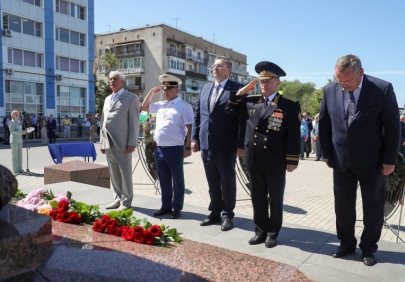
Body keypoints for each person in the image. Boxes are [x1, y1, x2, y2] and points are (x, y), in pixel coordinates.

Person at [319, 54, 400, 266]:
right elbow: (325, 124)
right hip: (341, 161)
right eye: (339, 80)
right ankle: (346, 243)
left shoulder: (382, 89)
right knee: (343, 207)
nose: (343, 85)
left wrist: (389, 160)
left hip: (373, 163)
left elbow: (393, 128)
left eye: (348, 80)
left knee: (373, 207)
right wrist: (327, 153)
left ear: (360, 73)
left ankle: (369, 248)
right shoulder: (329, 90)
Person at [225, 61, 301, 248]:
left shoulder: (288, 105)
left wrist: (292, 160)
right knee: (257, 198)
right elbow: (229, 108)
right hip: (254, 158)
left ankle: (273, 233)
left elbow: (293, 135)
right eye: (261, 81)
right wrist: (242, 91)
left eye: (268, 81)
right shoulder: (251, 101)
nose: (264, 85)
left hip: (275, 160)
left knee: (275, 199)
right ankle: (260, 231)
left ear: (278, 83)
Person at [191, 56, 245, 231]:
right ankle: (214, 212)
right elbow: (198, 114)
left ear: (228, 70)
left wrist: (240, 144)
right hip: (207, 144)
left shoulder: (237, 89)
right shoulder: (206, 88)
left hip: (226, 144)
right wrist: (194, 138)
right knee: (212, 181)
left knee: (227, 181)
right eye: (214, 66)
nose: (215, 68)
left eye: (219, 66)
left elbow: (242, 120)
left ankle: (228, 214)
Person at [142, 74, 193, 219]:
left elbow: (190, 128)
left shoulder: (184, 107)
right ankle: (166, 206)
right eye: (164, 89)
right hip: (160, 148)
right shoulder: (161, 105)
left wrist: (188, 148)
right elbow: (144, 107)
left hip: (175, 148)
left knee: (177, 179)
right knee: (163, 179)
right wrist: (152, 92)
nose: (165, 92)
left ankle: (177, 207)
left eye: (168, 89)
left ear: (176, 89)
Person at [100, 71, 140, 210]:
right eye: (110, 79)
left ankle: (126, 201)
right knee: (113, 172)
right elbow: (103, 121)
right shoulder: (107, 99)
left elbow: (135, 122)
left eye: (115, 79)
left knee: (125, 172)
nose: (112, 81)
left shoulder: (131, 98)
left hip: (122, 143)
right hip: (108, 141)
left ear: (122, 82)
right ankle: (117, 198)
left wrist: (132, 142)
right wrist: (102, 141)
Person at [9, 110, 27, 175]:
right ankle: (15, 170)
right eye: (16, 114)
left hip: (19, 140)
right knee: (15, 156)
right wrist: (21, 132)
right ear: (13, 115)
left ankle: (20, 169)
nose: (17, 116)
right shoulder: (11, 122)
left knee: (20, 155)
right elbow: (12, 131)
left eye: (18, 114)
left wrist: (25, 131)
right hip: (14, 140)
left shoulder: (19, 122)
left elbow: (19, 130)